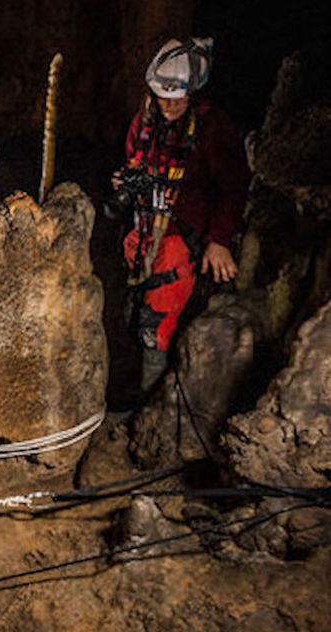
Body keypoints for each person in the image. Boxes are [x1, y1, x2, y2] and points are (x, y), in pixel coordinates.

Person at [114, 38, 249, 393]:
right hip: (142, 234)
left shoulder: (211, 128)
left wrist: (218, 241)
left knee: (154, 326)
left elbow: (233, 187)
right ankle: (135, 389)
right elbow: (133, 165)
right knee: (132, 318)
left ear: (193, 94)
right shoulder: (144, 124)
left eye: (177, 98)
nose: (170, 106)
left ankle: (150, 405)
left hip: (180, 241)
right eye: (163, 97)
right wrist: (124, 182)